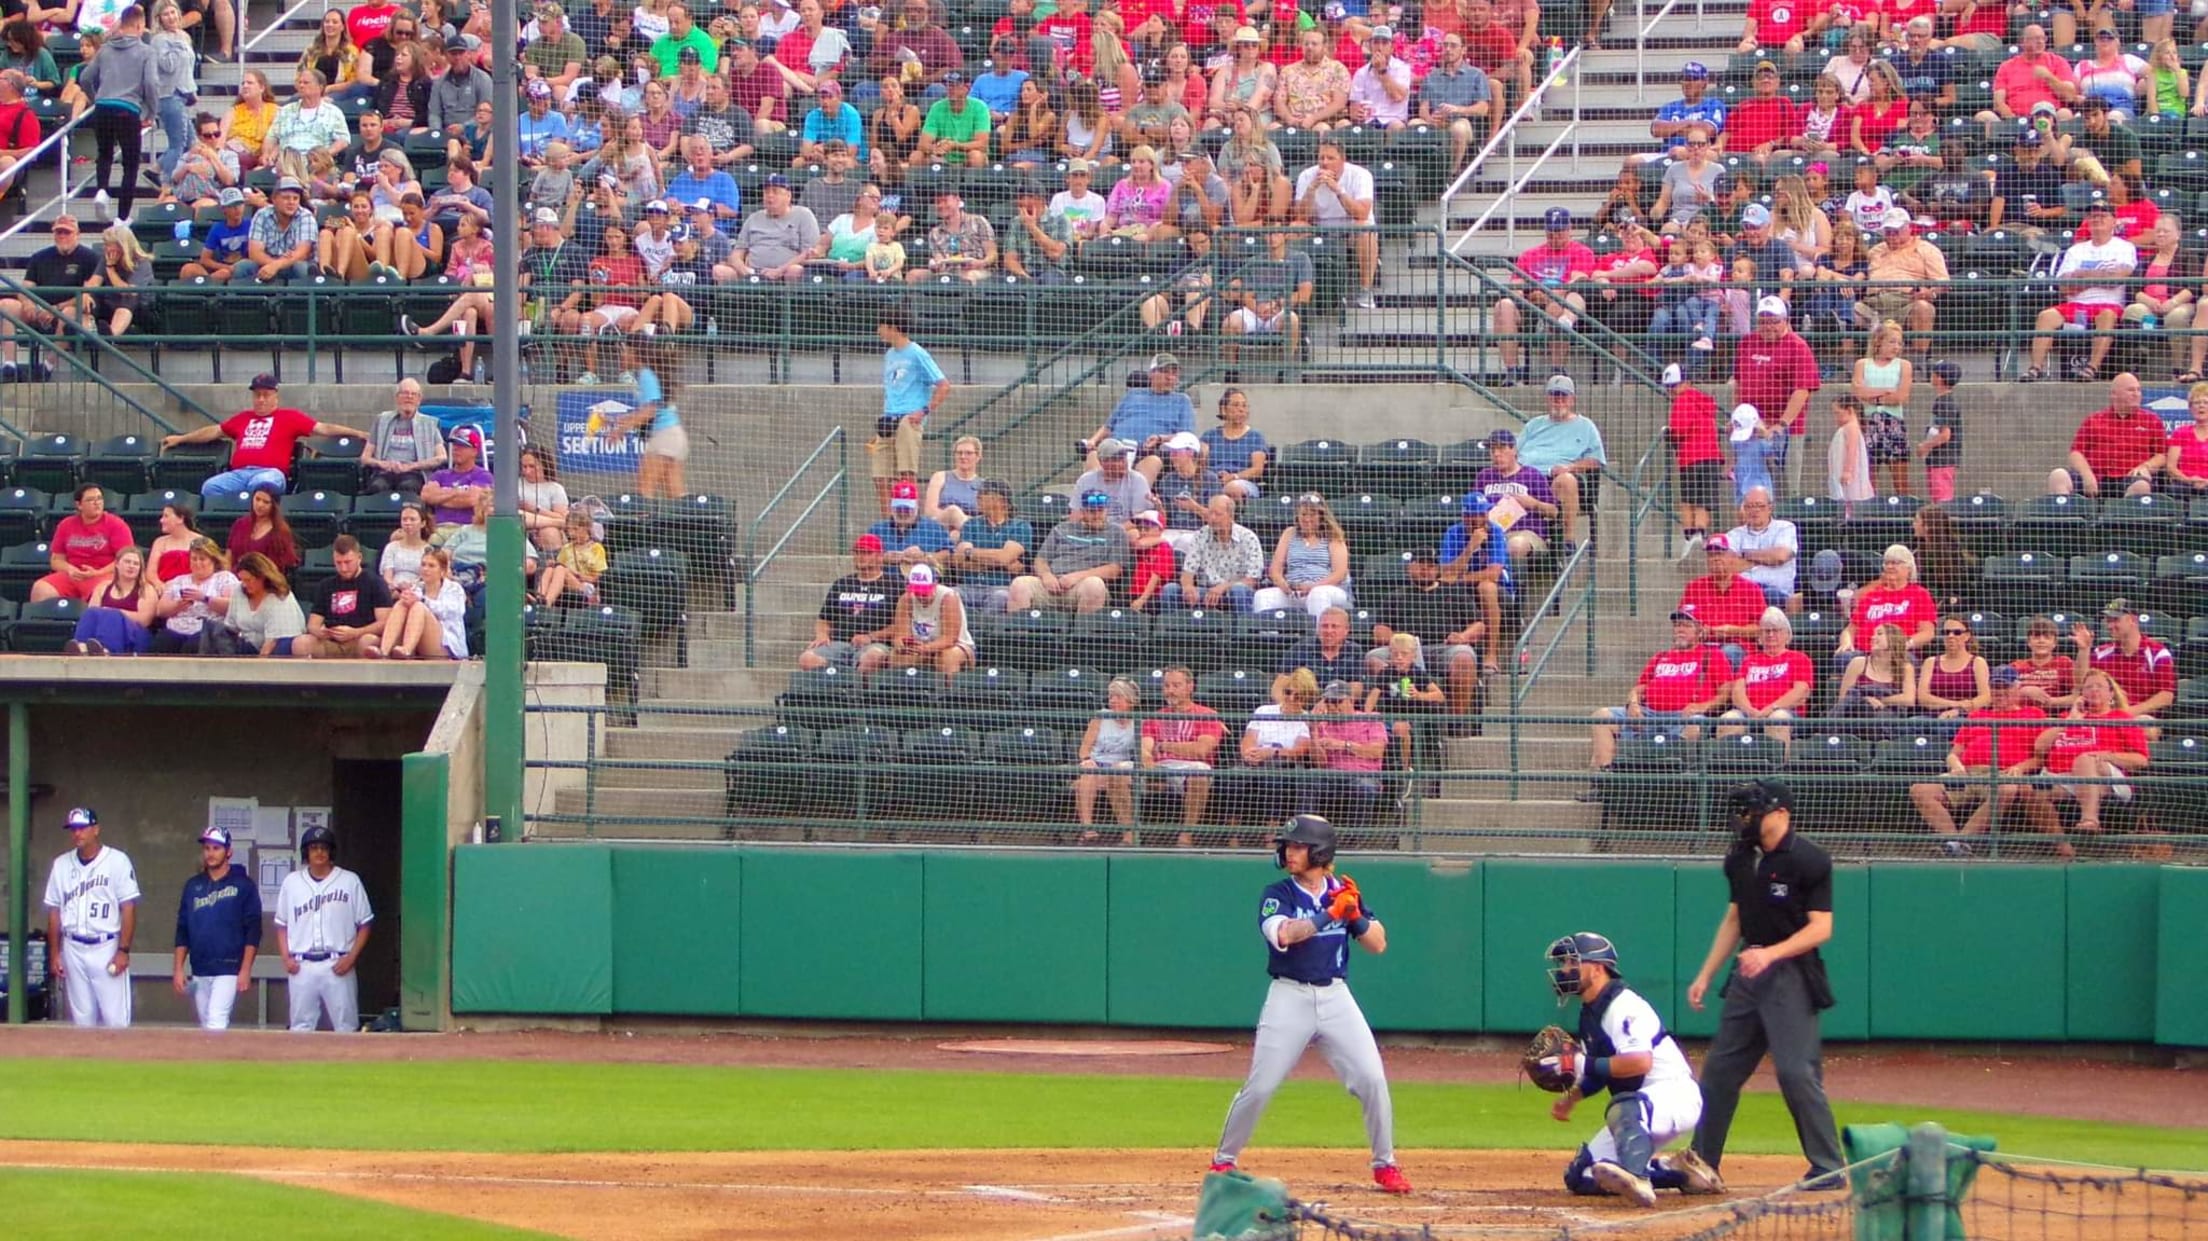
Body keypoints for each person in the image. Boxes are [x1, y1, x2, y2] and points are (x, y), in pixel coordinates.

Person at [1210, 814, 1412, 1195]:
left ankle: (1385, 1164)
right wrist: (1331, 914)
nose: (1289, 852)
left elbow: (1378, 944)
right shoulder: (1278, 893)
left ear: (1319, 850)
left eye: (1299, 846)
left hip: (1336, 996)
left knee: (1372, 1079)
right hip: (1290, 996)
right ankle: (1224, 1159)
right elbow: (1286, 933)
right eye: (1288, 845)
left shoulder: (1343, 891)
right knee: (1262, 1085)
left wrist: (1354, 914)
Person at [1687, 780, 1843, 1185]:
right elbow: (1734, 919)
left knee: (1795, 1071)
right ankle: (1703, 1163)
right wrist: (1706, 974)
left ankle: (1828, 1166)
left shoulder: (1809, 859)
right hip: (1747, 973)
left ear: (1781, 815)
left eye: (1754, 812)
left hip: (1790, 972)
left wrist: (1771, 954)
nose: (1746, 820)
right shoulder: (1740, 859)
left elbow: (1821, 928)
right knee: (1720, 1070)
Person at [1543, 933, 1727, 1206]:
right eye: (1563, 963)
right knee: (1581, 1175)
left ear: (1596, 969)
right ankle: (1677, 1172)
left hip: (1673, 1096)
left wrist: (1580, 1063)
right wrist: (1571, 1099)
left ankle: (1638, 1178)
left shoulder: (1624, 1006)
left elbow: (1640, 1063)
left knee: (1623, 1106)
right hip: (1638, 1110)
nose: (1564, 970)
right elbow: (1600, 1071)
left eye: (1572, 962)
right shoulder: (1590, 1013)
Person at [161, 374, 368, 498]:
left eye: (266, 395)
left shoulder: (289, 417)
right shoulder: (243, 418)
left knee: (259, 485)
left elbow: (324, 429)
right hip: (239, 474)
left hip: (271, 473)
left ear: (275, 396)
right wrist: (181, 438)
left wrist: (357, 432)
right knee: (211, 487)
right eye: (257, 395)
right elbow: (214, 431)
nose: (260, 400)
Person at [1910, 665, 2047, 853]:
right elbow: (1953, 753)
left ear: (2017, 688)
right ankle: (1954, 842)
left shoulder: (2033, 714)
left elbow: (2040, 757)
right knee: (1920, 790)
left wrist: (2021, 768)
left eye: (2005, 687)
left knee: (2007, 789)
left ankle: (1959, 844)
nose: (2000, 692)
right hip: (1967, 773)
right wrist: (1956, 766)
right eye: (1996, 687)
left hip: (2001, 774)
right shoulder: (1976, 715)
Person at [1587, 611, 1733, 774]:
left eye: (1686, 625)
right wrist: (1633, 704)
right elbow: (1638, 688)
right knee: (1602, 716)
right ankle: (1605, 780)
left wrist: (1702, 706)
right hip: (1649, 715)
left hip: (1682, 718)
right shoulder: (1661, 656)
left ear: (1700, 631)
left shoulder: (1713, 656)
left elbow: (1726, 694)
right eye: (1677, 625)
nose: (1680, 630)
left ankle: (1684, 779)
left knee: (1696, 724)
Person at [2026, 667, 2149, 851]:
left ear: (2111, 694)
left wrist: (2105, 755)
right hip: (2064, 778)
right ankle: (2065, 849)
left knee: (2085, 759)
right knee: (2030, 791)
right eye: (2089, 687)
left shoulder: (2120, 718)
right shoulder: (2067, 718)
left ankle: (2090, 820)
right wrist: (2071, 720)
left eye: (2099, 686)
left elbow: (2141, 760)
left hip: (2108, 775)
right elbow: (2040, 747)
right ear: (2081, 694)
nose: (2094, 690)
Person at [43, 807, 139, 1029]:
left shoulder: (117, 861)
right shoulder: (61, 865)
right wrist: (56, 953)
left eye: (82, 828)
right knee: (82, 1021)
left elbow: (128, 907)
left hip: (105, 945)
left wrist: (123, 950)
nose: (77, 834)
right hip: (73, 946)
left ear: (96, 829)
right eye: (74, 829)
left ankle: (119, 1063)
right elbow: (54, 911)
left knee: (116, 1021)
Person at [274, 824, 373, 1033]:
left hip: (338, 962)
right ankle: (300, 1066)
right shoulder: (292, 883)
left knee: (346, 1027)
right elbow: (281, 925)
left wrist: (351, 958)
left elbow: (365, 924)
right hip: (302, 964)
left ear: (331, 852)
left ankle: (349, 1065)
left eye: (323, 848)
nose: (319, 852)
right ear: (306, 852)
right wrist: (286, 958)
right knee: (300, 1027)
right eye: (313, 848)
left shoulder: (349, 880)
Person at [2022, 204, 2136, 383]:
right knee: (2046, 316)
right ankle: (2035, 368)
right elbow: (2064, 286)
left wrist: (2082, 275)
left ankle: (2091, 367)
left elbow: (2117, 279)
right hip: (2076, 304)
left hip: (2108, 304)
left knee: (2106, 316)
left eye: (2102, 215)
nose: (2096, 219)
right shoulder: (2076, 250)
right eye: (2093, 216)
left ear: (2114, 221)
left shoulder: (2124, 247)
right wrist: (2101, 277)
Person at [170, 824, 262, 1031]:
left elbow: (253, 930)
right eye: (207, 848)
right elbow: (182, 929)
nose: (210, 853)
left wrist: (246, 969)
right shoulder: (193, 886)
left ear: (228, 851)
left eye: (216, 848)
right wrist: (178, 968)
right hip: (200, 968)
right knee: (207, 1025)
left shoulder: (243, 885)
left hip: (229, 967)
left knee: (216, 1022)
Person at [1732, 298, 1819, 498]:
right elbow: (1739, 382)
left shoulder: (1798, 347)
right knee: (1751, 485)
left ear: (1785, 320)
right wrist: (1737, 416)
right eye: (1763, 321)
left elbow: (1802, 390)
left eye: (1773, 321)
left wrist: (1782, 423)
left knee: (1785, 487)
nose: (1768, 326)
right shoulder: (1747, 343)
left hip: (1785, 430)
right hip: (1751, 429)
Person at [79, 4, 159, 220]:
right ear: (140, 25)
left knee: (104, 153)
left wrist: (97, 98)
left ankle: (102, 190)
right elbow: (151, 83)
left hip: (103, 107)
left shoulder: (105, 49)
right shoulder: (146, 51)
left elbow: (85, 77)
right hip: (128, 109)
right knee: (130, 165)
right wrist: (151, 111)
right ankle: (122, 217)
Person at [0, 216, 99, 381]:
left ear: (77, 234)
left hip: (69, 311)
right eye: (58, 232)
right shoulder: (40, 257)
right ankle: (9, 365)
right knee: (6, 305)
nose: (62, 236)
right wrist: (28, 303)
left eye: (67, 232)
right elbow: (25, 288)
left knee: (70, 313)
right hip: (39, 309)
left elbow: (87, 294)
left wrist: (56, 309)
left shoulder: (89, 258)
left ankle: (47, 366)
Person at [873, 304, 949, 515]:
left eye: (881, 326)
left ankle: (911, 520)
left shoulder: (917, 354)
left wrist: (924, 411)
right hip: (888, 419)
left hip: (909, 419)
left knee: (906, 472)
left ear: (893, 327)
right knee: (880, 476)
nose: (878, 331)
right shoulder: (889, 354)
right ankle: (887, 522)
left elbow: (943, 385)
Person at [1517, 375, 1608, 550]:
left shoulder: (1585, 426)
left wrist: (1570, 467)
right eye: (1554, 396)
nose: (1558, 401)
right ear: (1547, 398)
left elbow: (1597, 460)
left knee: (1567, 480)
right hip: (1526, 478)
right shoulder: (1533, 425)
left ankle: (1567, 541)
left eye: (1563, 396)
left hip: (1556, 480)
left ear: (1572, 399)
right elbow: (1514, 453)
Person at [1140, 664, 1225, 844]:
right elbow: (1145, 747)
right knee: (1119, 771)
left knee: (1200, 773)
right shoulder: (1155, 716)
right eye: (1166, 686)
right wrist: (1147, 760)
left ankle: (1186, 835)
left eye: (1176, 685)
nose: (1170, 691)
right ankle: (1128, 833)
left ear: (1190, 686)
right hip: (1159, 767)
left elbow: (1202, 750)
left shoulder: (1206, 714)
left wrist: (1163, 746)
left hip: (1190, 767)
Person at [1010, 489, 1130, 613]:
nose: (1097, 515)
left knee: (1094, 585)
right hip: (1051, 585)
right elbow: (1041, 560)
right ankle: (1017, 632)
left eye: (1101, 511)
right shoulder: (1061, 529)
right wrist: (1046, 576)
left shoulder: (1116, 532)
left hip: (1082, 586)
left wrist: (1076, 577)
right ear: (1083, 512)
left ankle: (1084, 632)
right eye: (1092, 511)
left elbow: (1114, 570)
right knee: (1020, 584)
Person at [1083, 352, 1197, 481]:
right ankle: (1096, 495)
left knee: (1152, 463)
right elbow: (1108, 426)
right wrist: (1092, 440)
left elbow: (1186, 436)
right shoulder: (1133, 395)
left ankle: (1134, 498)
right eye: (1166, 372)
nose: (1170, 378)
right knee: (1093, 456)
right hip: (1117, 447)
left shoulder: (1182, 401)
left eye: (1174, 374)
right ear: (1152, 373)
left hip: (1148, 451)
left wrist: (1161, 438)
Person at [800, 535, 899, 671]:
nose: (861, 556)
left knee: (871, 658)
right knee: (807, 659)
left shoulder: (895, 585)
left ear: (879, 556)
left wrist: (871, 637)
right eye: (857, 552)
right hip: (839, 643)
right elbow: (824, 619)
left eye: (867, 553)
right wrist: (822, 635)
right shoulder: (842, 584)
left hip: (875, 645)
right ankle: (833, 688)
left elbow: (900, 626)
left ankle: (859, 691)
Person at [2059, 373, 2165, 499]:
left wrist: (2145, 466)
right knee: (2058, 476)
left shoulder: (2152, 420)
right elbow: (2076, 453)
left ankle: (2123, 516)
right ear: (2114, 394)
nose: (2136, 394)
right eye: (2131, 390)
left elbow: (2162, 455)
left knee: (2141, 485)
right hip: (2096, 477)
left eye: (2138, 390)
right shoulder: (2094, 420)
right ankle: (2066, 517)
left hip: (2130, 478)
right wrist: (2087, 475)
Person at [2071, 597, 2177, 719]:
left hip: (2137, 715)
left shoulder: (2157, 653)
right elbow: (2081, 684)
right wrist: (2084, 650)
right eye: (2108, 621)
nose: (2110, 626)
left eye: (2115, 620)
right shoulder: (2101, 652)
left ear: (2132, 619)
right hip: (2101, 715)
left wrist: (2126, 713)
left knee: (2143, 722)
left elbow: (2166, 696)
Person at [292, 535, 395, 659]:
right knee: (301, 643)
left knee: (368, 641)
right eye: (338, 563)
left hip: (360, 638)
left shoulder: (375, 583)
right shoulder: (326, 585)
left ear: (359, 558)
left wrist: (356, 632)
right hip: (331, 641)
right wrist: (321, 632)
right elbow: (313, 624)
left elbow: (384, 623)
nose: (343, 568)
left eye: (348, 562)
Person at [1834, 543, 1937, 664]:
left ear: (1909, 568)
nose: (1890, 566)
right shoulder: (1870, 595)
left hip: (1899, 653)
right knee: (1844, 658)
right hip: (1865, 654)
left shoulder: (1919, 594)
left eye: (1896, 563)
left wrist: (1905, 644)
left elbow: (1927, 633)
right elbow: (1850, 629)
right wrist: (1846, 642)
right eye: (1887, 563)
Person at [32, 483, 133, 604]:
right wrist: (70, 569)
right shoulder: (66, 525)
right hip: (73, 575)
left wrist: (97, 573)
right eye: (90, 500)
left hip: (104, 574)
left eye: (99, 498)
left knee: (102, 592)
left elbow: (126, 558)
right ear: (79, 505)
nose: (97, 503)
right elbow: (56, 560)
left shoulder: (116, 525)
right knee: (40, 588)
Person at [1256, 493, 1353, 617]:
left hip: (1327, 589)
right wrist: (1285, 586)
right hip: (1294, 591)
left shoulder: (1332, 536)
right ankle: (1267, 635)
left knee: (1317, 595)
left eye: (1312, 514)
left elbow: (1340, 573)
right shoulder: (1289, 533)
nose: (1307, 519)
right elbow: (1275, 570)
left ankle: (1317, 635)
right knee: (1262, 596)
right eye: (1303, 514)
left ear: (1321, 516)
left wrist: (1312, 587)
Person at [1166, 492, 1264, 611]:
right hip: (1205, 591)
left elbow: (1251, 580)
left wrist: (1223, 587)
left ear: (1230, 516)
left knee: (1238, 590)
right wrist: (1188, 587)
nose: (1212, 518)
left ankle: (1243, 628)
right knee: (1170, 590)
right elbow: (1188, 571)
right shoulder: (1201, 535)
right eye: (1210, 512)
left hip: (1232, 591)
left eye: (1218, 514)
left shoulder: (1248, 537)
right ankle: (1172, 628)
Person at [1679, 535, 1767, 664]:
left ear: (1732, 557)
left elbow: (1761, 629)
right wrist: (1699, 631)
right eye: (1711, 555)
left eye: (1720, 554)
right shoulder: (1694, 587)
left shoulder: (1750, 589)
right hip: (1702, 646)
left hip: (1737, 647)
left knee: (1727, 653)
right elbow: (1682, 623)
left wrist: (1733, 631)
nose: (1716, 559)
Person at [1075, 677, 1143, 843]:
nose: (1112, 700)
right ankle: (1088, 831)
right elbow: (1084, 749)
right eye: (1111, 696)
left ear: (1131, 700)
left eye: (1118, 696)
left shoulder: (1140, 722)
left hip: (1121, 768)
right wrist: (1086, 759)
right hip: (1096, 766)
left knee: (1117, 774)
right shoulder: (1101, 717)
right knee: (1087, 776)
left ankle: (1129, 834)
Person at [947, 480, 1029, 614]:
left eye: (984, 494)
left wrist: (970, 553)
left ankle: (985, 634)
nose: (978, 497)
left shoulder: (1020, 526)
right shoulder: (971, 525)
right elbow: (958, 560)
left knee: (1000, 597)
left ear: (1001, 501)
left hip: (1000, 586)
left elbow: (1005, 557)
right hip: (969, 586)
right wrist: (1000, 563)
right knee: (950, 595)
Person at [65, 545, 158, 655]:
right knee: (91, 612)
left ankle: (106, 650)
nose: (131, 566)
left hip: (135, 635)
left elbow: (144, 621)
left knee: (113, 616)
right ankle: (81, 647)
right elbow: (94, 614)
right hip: (101, 631)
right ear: (117, 564)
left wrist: (116, 612)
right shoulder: (103, 587)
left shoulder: (146, 589)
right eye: (127, 562)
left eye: (136, 564)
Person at [152, 537, 239, 654]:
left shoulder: (224, 578)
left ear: (213, 560)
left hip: (207, 630)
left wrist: (205, 598)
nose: (197, 563)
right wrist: (178, 605)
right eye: (194, 559)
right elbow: (160, 610)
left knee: (194, 645)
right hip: (176, 628)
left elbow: (233, 607)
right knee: (162, 642)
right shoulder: (178, 581)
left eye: (202, 559)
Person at [362, 379, 448, 496]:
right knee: (377, 487)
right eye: (405, 393)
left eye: (413, 394)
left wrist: (411, 466)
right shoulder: (381, 420)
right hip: (385, 471)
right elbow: (365, 458)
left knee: (407, 487)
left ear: (419, 400)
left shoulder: (430, 424)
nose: (409, 397)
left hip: (414, 472)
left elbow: (442, 457)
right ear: (397, 397)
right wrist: (381, 464)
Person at [225, 551, 307, 656]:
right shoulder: (239, 590)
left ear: (262, 577)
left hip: (277, 646)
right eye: (242, 580)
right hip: (248, 645)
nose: (244, 585)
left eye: (249, 580)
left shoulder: (279, 596)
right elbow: (231, 626)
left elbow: (272, 642)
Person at [1919, 614, 1991, 718]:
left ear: (1967, 636)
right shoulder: (1930, 662)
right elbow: (1923, 697)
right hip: (1932, 717)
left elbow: (1985, 698)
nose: (1950, 636)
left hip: (1964, 716)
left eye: (1957, 632)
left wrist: (1959, 710)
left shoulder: (1977, 662)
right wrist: (1955, 704)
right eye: (1946, 632)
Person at [536, 510, 605, 608]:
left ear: (586, 528)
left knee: (561, 569)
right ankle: (540, 596)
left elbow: (596, 578)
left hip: (585, 586)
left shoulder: (596, 548)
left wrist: (576, 574)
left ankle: (547, 602)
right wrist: (553, 563)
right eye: (569, 530)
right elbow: (558, 569)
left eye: (575, 529)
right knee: (550, 569)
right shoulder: (567, 548)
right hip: (564, 581)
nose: (571, 534)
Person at [1918, 360, 1964, 503]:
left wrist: (1925, 446)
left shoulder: (1944, 402)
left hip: (1943, 460)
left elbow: (1945, 435)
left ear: (1939, 378)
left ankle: (1942, 525)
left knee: (1942, 500)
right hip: (1937, 460)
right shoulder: (1942, 400)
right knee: (1937, 498)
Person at [924, 436, 986, 537]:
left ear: (978, 457)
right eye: (959, 453)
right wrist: (952, 517)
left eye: (968, 453)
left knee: (955, 535)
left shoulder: (983, 485)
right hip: (941, 527)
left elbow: (985, 517)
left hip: (972, 532)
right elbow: (930, 511)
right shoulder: (940, 477)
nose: (963, 456)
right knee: (953, 511)